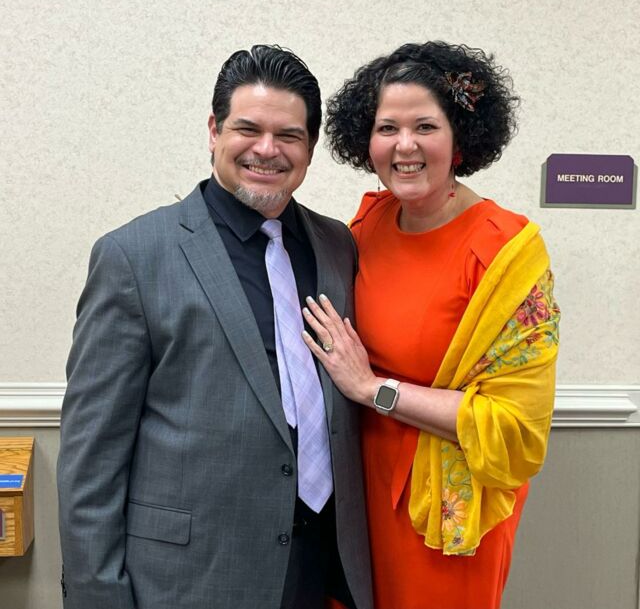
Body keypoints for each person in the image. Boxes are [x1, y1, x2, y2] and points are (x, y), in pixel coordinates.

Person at [57, 45, 373, 609]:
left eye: (288, 135)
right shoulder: (134, 256)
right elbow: (91, 460)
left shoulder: (337, 245)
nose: (267, 149)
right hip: (191, 579)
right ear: (213, 131)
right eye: (248, 129)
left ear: (309, 146)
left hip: (320, 571)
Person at [301, 41, 560, 609]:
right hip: (358, 491)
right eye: (387, 128)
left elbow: (516, 433)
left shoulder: (506, 253)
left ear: (459, 138)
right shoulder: (366, 226)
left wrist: (372, 389)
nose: (405, 145)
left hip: (446, 512)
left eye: (425, 126)